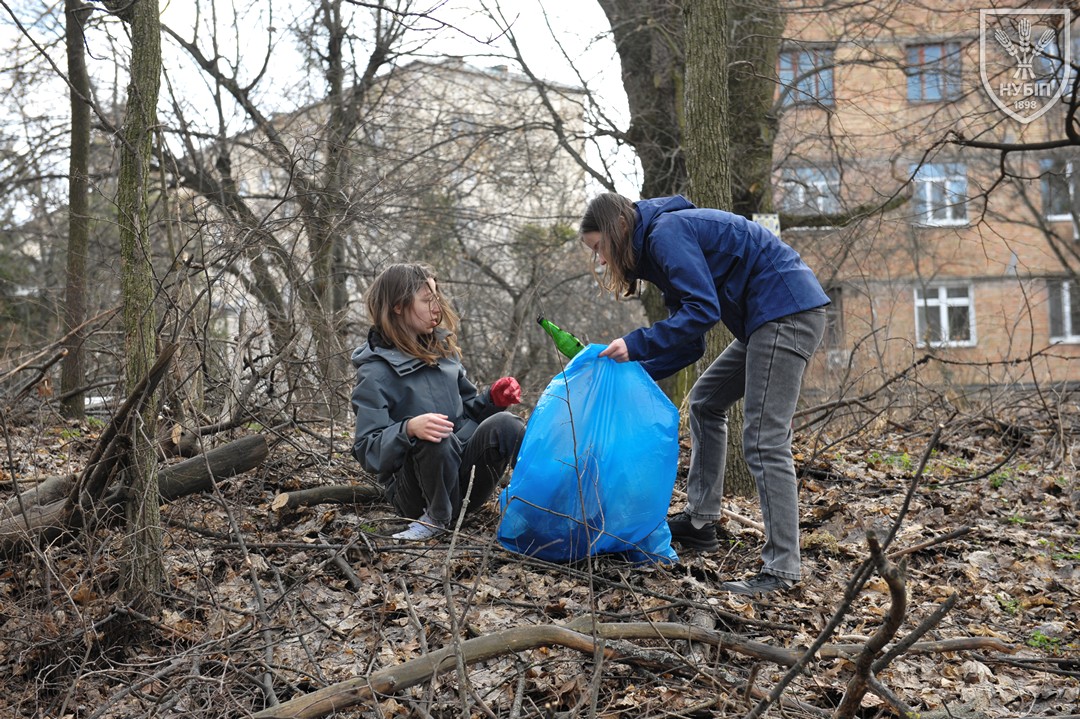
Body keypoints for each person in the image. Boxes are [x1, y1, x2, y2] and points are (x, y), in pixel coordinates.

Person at [579, 193, 829, 595]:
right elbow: (691, 341)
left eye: (599, 248)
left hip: (786, 312)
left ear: (618, 228)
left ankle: (782, 569)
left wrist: (635, 343)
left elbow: (703, 310)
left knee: (764, 440)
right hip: (766, 318)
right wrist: (634, 373)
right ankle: (700, 522)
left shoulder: (666, 233)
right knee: (705, 402)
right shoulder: (656, 246)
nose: (602, 261)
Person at [351, 263, 526, 541]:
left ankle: (537, 503)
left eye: (437, 297)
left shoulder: (443, 352)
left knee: (507, 423)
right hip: (416, 497)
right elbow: (367, 449)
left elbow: (467, 417)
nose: (438, 307)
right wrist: (408, 429)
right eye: (427, 299)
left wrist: (492, 400)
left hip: (462, 485)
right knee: (434, 433)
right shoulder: (374, 372)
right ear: (398, 306)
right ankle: (435, 519)